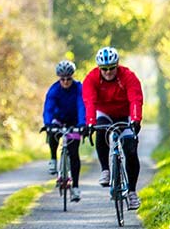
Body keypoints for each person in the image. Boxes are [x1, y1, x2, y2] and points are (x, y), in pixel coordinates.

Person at [81, 46, 145, 209]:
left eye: (111, 68)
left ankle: (131, 192)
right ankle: (105, 170)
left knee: (130, 148)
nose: (108, 72)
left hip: (125, 114)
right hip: (104, 113)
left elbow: (135, 99)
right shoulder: (91, 79)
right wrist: (89, 122)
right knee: (101, 130)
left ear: (117, 65)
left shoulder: (128, 76)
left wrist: (136, 120)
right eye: (104, 69)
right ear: (99, 68)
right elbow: (89, 102)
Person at [42, 59, 86, 202]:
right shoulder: (54, 89)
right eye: (63, 79)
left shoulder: (79, 88)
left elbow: (81, 106)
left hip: (74, 121)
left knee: (74, 153)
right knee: (53, 132)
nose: (66, 82)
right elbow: (48, 108)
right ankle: (53, 159)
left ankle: (75, 188)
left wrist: (82, 124)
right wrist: (48, 123)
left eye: (68, 79)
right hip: (58, 119)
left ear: (72, 77)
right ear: (59, 78)